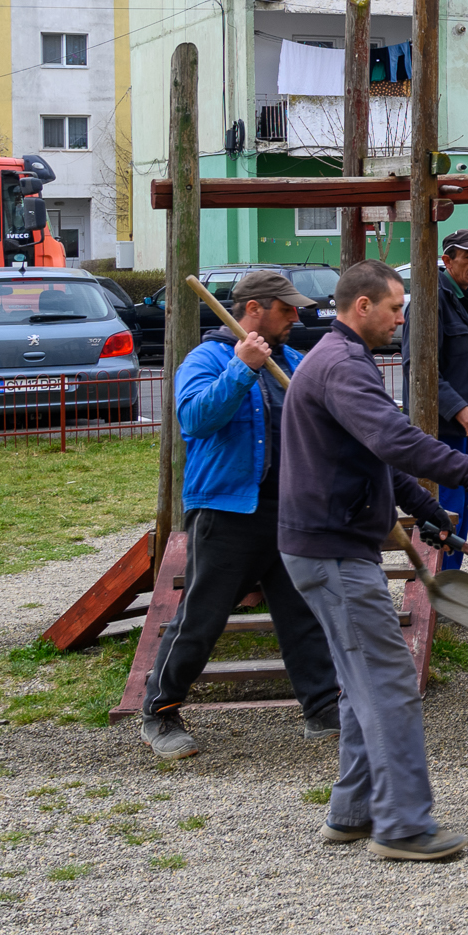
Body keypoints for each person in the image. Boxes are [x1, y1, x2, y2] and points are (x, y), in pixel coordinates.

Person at [280, 257, 468, 862]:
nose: (401, 318)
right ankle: (403, 825)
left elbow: (372, 458)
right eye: (394, 307)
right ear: (362, 307)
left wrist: (425, 509)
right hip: (331, 552)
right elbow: (393, 439)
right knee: (389, 686)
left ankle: (353, 813)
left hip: (326, 545)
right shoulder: (341, 367)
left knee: (361, 688)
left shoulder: (338, 361)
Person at [138, 268, 342, 760]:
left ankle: (322, 708)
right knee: (202, 617)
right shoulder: (207, 358)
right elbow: (194, 419)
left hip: (289, 509)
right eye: (286, 308)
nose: (297, 316)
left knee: (302, 612)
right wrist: (242, 368)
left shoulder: (293, 361)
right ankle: (159, 713)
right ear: (254, 310)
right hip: (227, 508)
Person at [413, 231, 468, 570]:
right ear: (447, 261)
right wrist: (459, 408)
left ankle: (450, 581)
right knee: (444, 509)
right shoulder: (430, 301)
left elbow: (464, 364)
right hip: (442, 428)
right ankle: (434, 585)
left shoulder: (466, 300)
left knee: (463, 505)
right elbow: (419, 368)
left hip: (464, 427)